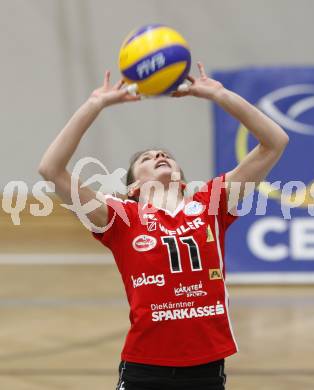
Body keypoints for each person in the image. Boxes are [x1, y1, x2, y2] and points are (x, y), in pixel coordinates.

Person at [38, 62, 289, 390]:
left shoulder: (211, 203)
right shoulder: (121, 217)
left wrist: (221, 95)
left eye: (165, 154)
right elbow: (51, 169)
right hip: (145, 368)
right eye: (146, 159)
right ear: (132, 188)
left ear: (181, 178)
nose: (158, 155)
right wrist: (95, 104)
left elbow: (275, 141)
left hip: (206, 368)